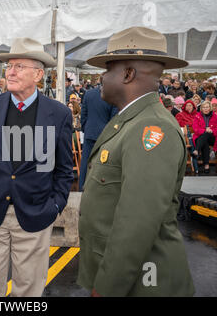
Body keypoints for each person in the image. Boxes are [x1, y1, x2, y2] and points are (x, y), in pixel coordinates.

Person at [78, 26, 194, 297]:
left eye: (108, 69)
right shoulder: (131, 121)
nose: (101, 78)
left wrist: (107, 288)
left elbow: (137, 224)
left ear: (128, 74)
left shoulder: (152, 128)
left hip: (143, 284)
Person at [0, 37, 74, 297]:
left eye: (19, 66)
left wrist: (55, 205)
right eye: (9, 66)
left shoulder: (58, 113)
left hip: (35, 213)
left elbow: (63, 168)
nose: (10, 72)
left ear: (38, 74)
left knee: (28, 289)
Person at [78, 87, 118, 191]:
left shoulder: (89, 94)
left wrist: (86, 128)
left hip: (90, 133)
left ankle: (82, 188)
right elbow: (113, 119)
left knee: (85, 164)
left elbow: (83, 114)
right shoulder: (112, 95)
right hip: (105, 136)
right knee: (102, 164)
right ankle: (97, 190)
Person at [192, 101, 217, 173]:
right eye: (204, 107)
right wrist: (205, 130)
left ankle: (196, 150)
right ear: (201, 109)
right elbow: (195, 128)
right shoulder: (197, 116)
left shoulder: (215, 116)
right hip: (200, 137)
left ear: (210, 108)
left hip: (213, 137)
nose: (205, 109)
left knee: (207, 134)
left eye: (207, 107)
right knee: (205, 141)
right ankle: (206, 166)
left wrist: (211, 130)